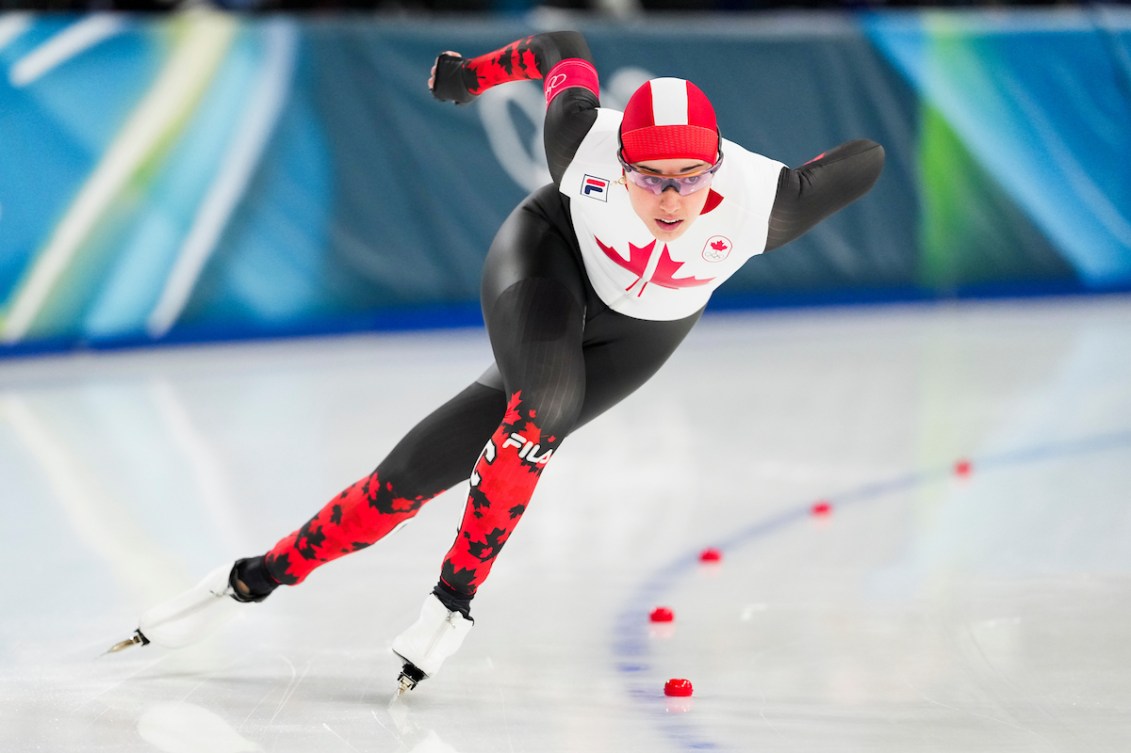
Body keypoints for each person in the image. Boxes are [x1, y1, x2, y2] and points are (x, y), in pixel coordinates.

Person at [110, 30, 884, 693]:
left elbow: (868, 157)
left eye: (689, 179)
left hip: (647, 328)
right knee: (539, 406)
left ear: (717, 167)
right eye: (648, 178)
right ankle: (454, 601)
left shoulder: (766, 202)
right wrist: (471, 77)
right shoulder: (580, 138)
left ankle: (254, 574)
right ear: (617, 163)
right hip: (549, 258)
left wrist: (797, 170)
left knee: (408, 477)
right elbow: (561, 49)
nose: (670, 201)